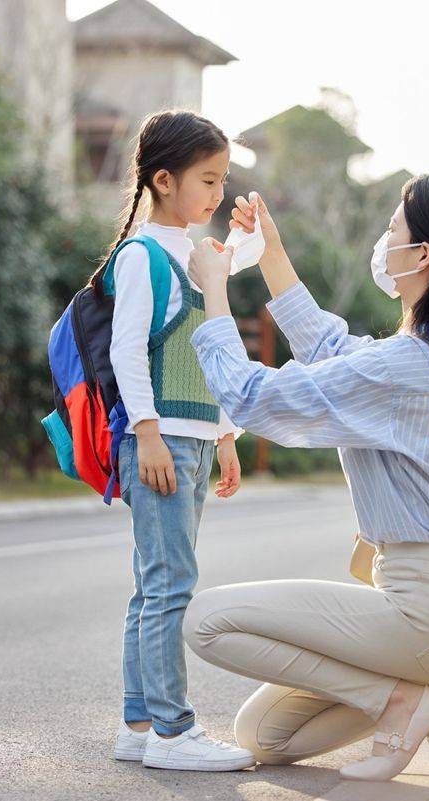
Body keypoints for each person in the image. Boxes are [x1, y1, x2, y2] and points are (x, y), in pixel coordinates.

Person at [181, 175, 429, 781]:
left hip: (427, 606)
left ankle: (402, 702)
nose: (382, 241)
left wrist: (214, 295)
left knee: (207, 622)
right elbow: (333, 351)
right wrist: (273, 255)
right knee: (265, 736)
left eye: (392, 230)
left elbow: (255, 398)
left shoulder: (409, 364)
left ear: (422, 256)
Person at [94, 109, 254, 772]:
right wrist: (148, 434)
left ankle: (139, 724)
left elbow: (208, 347)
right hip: (160, 443)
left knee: (153, 583)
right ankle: (171, 729)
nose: (218, 193)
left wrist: (226, 436)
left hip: (192, 438)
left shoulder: (192, 254)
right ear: (164, 180)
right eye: (207, 179)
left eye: (222, 180)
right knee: (171, 583)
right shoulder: (142, 256)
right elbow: (128, 349)